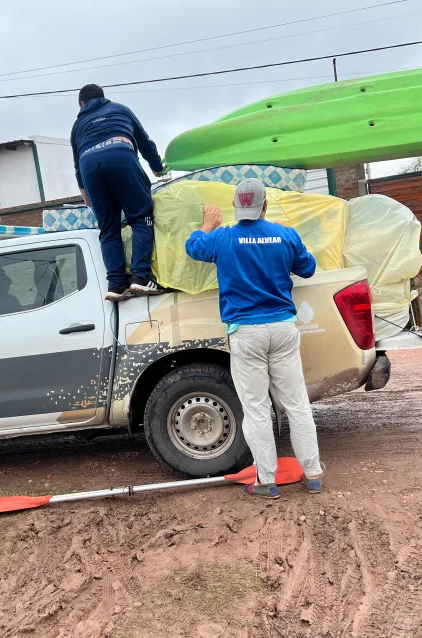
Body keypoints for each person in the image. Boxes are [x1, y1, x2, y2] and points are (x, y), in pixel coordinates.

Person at [185, 178, 324, 498]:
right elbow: (309, 268)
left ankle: (267, 480)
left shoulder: (223, 238)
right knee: (297, 404)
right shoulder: (285, 235)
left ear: (236, 206)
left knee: (257, 409)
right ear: (265, 205)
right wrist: (284, 239)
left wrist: (207, 224)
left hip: (246, 333)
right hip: (283, 330)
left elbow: (193, 247)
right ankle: (313, 474)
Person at [71, 84, 166, 301]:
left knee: (108, 228)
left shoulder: (78, 125)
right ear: (103, 97)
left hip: (89, 167)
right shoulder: (120, 109)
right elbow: (144, 142)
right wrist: (157, 167)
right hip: (120, 156)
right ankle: (141, 277)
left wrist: (85, 193)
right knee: (141, 218)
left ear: (82, 104)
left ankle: (115, 285)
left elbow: (76, 164)